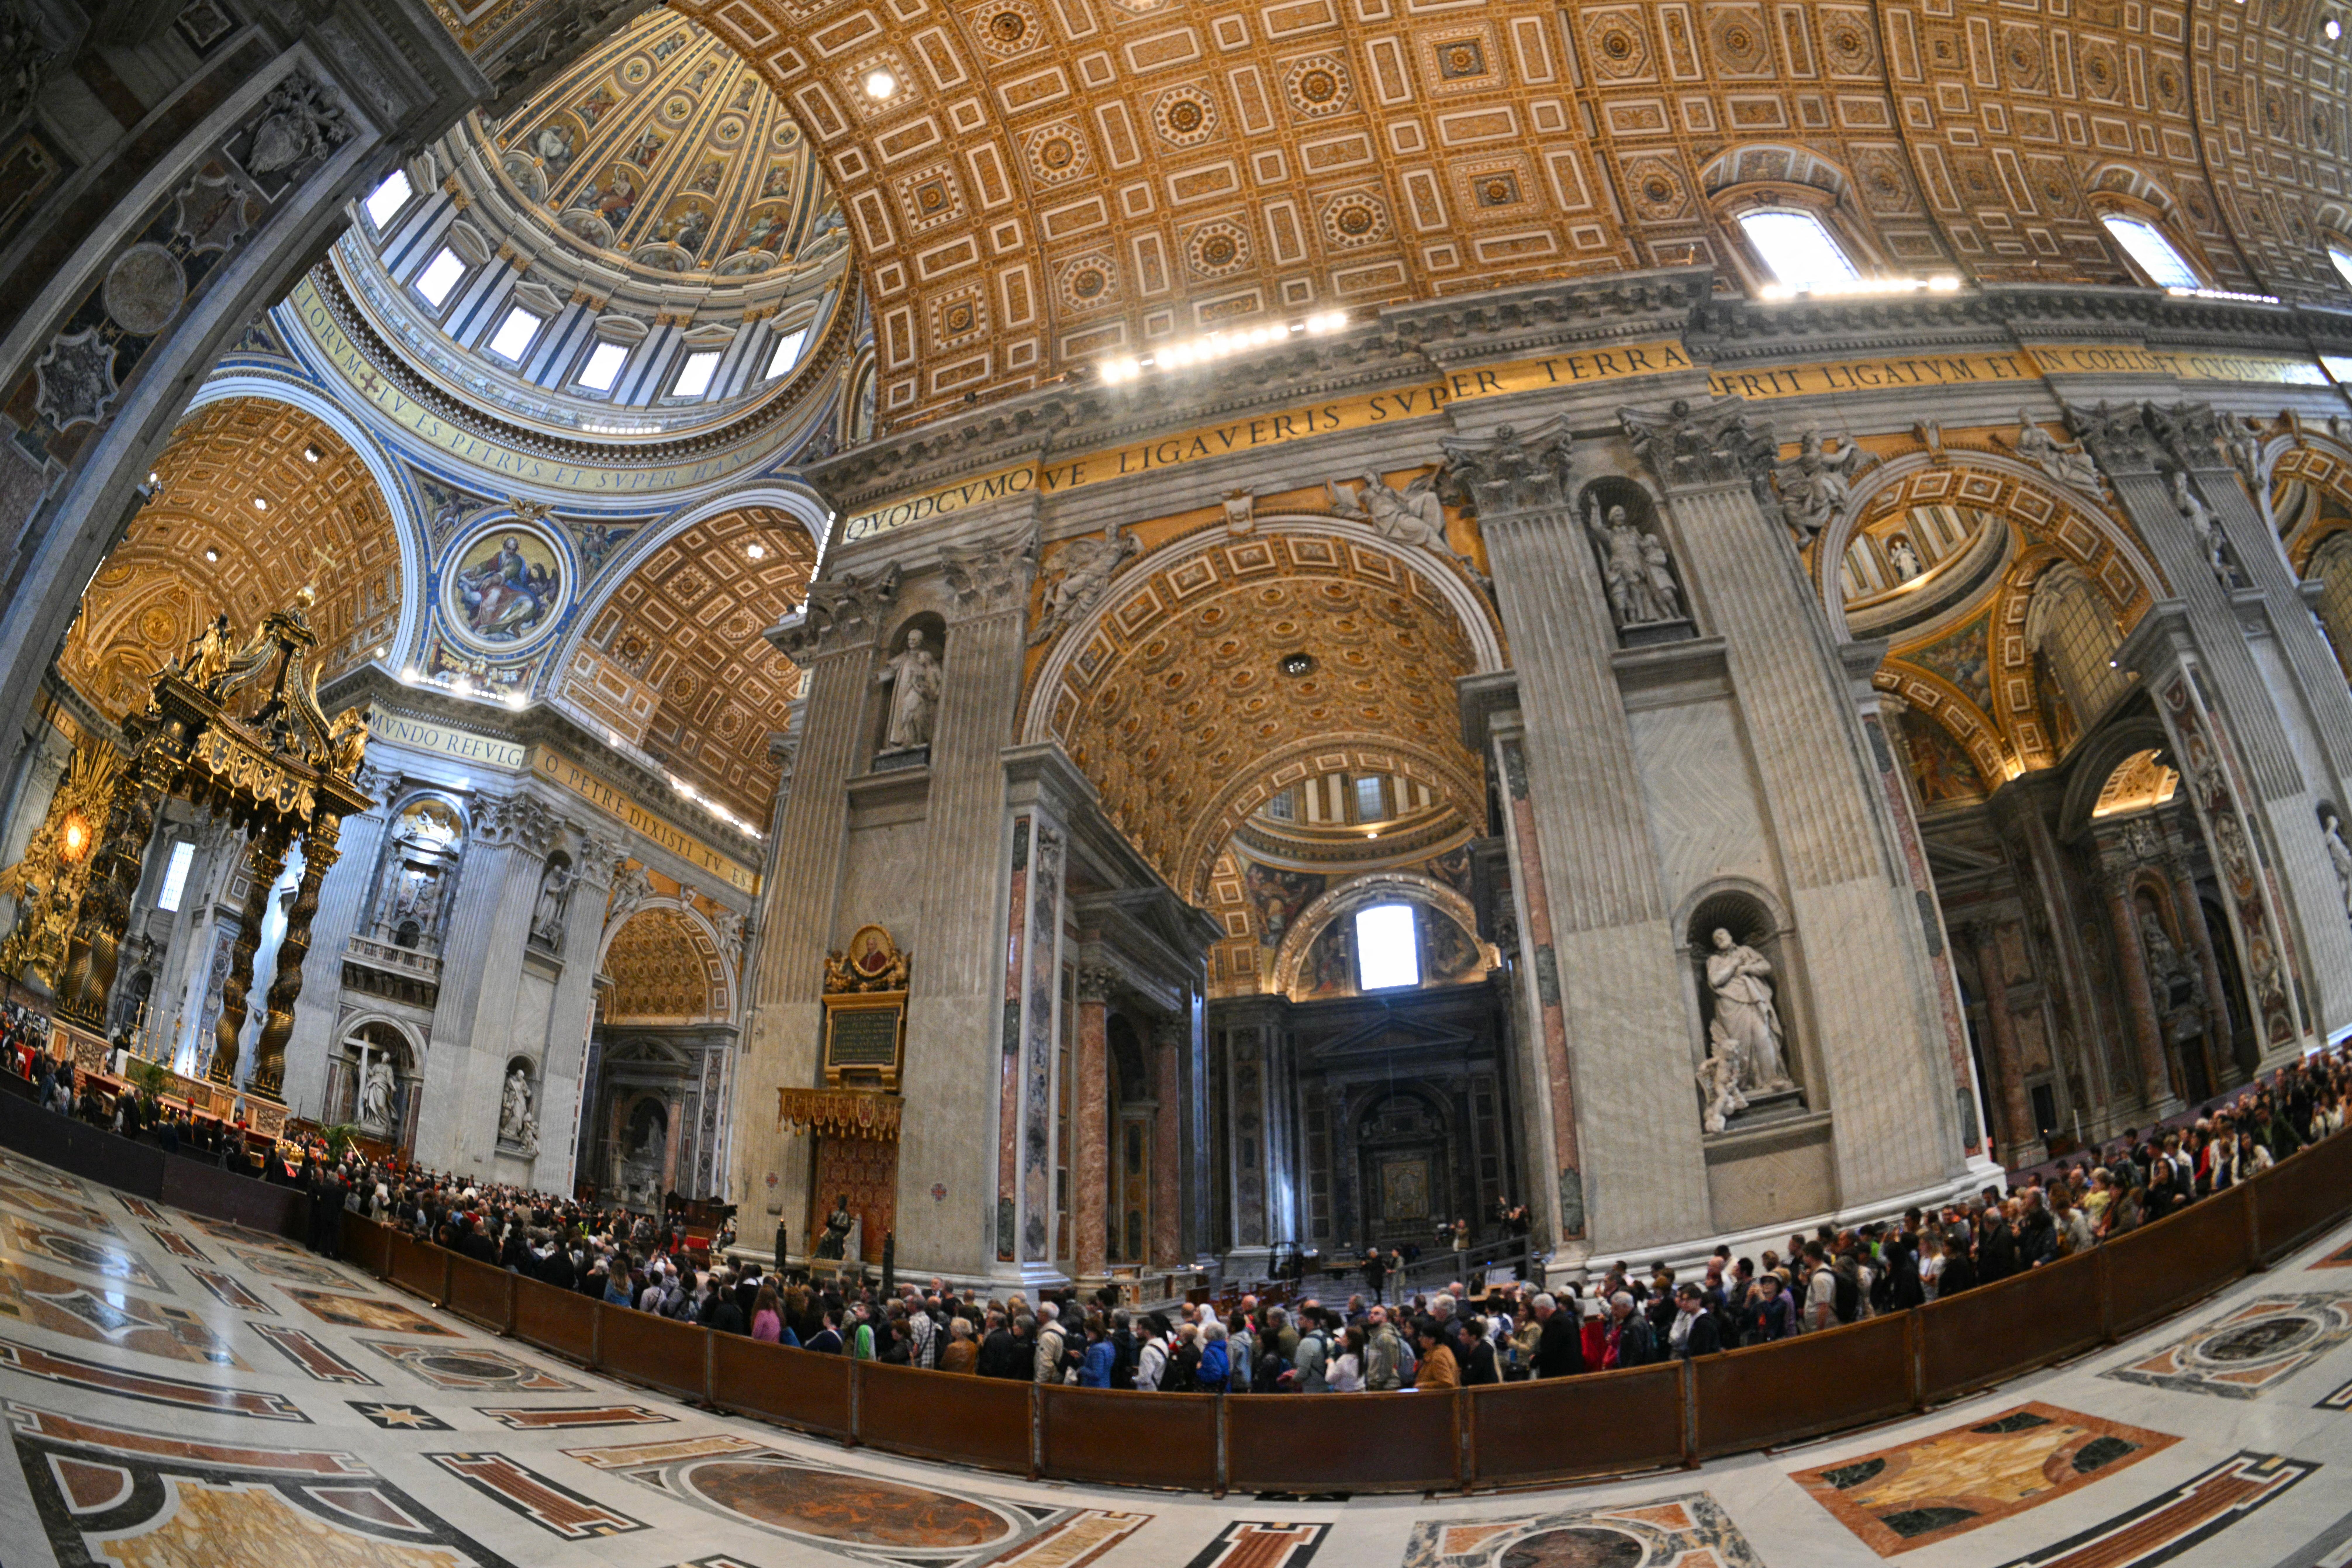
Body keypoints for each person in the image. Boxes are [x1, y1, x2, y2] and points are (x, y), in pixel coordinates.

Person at [1669, 1284, 1721, 1359]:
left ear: (1699, 1301)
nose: (1684, 1303)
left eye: (1689, 1300)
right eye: (1683, 1300)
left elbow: (1702, 1350)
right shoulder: (1691, 1317)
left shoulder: (1704, 1322)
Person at [1411, 1316, 1459, 1391]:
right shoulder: (1442, 1350)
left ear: (1432, 1340)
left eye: (1422, 1336)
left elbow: (1447, 1382)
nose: (1419, 1339)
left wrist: (1423, 1385)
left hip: (1440, 1401)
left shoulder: (1438, 1356)